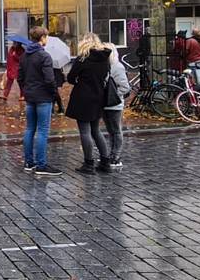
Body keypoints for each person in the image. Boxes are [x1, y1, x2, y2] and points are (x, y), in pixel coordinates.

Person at [65, 33, 112, 174]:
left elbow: (71, 77)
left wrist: (79, 80)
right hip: (98, 96)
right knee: (96, 130)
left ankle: (88, 163)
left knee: (85, 131)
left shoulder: (83, 58)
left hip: (83, 97)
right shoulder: (105, 58)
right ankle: (105, 162)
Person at [19, 27, 62, 176]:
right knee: (43, 131)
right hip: (43, 97)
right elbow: (50, 79)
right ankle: (41, 164)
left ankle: (29, 162)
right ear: (42, 38)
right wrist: (53, 93)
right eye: (46, 36)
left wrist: (26, 90)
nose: (47, 39)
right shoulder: (44, 56)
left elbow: (20, 77)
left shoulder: (24, 56)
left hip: (30, 97)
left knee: (30, 129)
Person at [102, 44, 130, 170]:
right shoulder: (103, 66)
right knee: (111, 130)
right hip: (105, 104)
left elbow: (125, 87)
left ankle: (116, 156)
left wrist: (112, 96)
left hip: (114, 105)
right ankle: (112, 154)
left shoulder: (117, 67)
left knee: (116, 130)